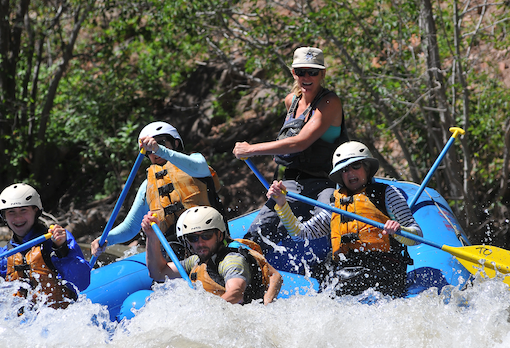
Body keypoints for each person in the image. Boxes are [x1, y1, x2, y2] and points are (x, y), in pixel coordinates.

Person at [267, 141, 423, 298]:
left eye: (356, 166)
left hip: (383, 271)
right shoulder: (335, 206)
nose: (350, 173)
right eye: (345, 170)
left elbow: (417, 236)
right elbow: (300, 233)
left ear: (367, 168)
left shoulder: (387, 194)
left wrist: (399, 231)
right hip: (345, 273)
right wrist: (282, 203)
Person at [233, 46, 348, 254]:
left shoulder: (330, 102)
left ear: (322, 74)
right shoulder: (291, 101)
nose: (306, 77)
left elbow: (300, 142)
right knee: (262, 227)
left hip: (327, 181)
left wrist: (251, 149)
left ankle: (335, 260)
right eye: (300, 71)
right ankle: (247, 261)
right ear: (293, 73)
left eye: (313, 72)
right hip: (294, 181)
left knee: (329, 217)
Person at [0, 183, 91, 313]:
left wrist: (62, 249)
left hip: (61, 318)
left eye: (23, 210)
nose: (18, 218)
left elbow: (81, 282)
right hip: (25, 326)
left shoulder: (55, 240)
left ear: (36, 211)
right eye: (11, 212)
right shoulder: (2, 257)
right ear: (4, 216)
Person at [92, 121, 224, 259]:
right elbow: (131, 227)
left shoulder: (195, 161)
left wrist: (160, 150)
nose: (154, 151)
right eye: (149, 150)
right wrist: (106, 239)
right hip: (175, 252)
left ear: (175, 143)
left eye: (161, 142)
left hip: (209, 240)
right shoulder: (147, 185)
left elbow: (198, 166)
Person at [141, 206, 282, 305]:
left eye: (206, 236)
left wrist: (207, 316)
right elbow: (158, 273)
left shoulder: (231, 260)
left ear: (219, 235)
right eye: (193, 238)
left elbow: (236, 292)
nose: (200, 243)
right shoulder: (198, 260)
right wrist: (151, 237)